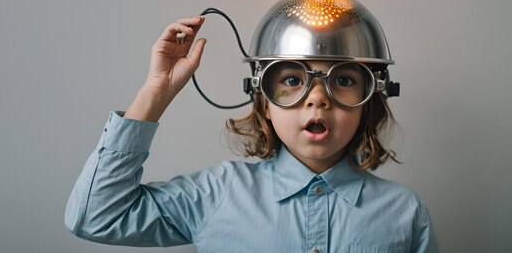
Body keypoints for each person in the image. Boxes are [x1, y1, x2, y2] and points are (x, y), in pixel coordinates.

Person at [64, 15, 439, 252]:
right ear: (264, 103)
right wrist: (155, 93)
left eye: (343, 80)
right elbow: (98, 215)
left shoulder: (404, 213)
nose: (318, 99)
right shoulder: (216, 196)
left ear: (369, 99)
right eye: (293, 80)